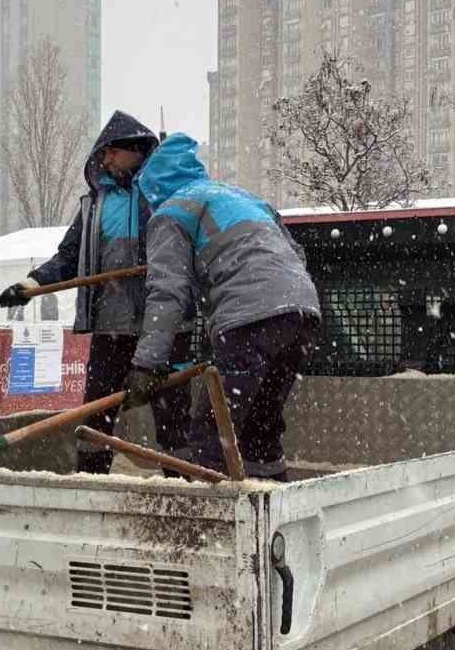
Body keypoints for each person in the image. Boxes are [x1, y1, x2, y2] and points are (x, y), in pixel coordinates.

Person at [0, 111, 192, 474]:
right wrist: (33, 284)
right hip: (110, 327)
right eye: (102, 155)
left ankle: (184, 490)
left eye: (112, 152)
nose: (106, 160)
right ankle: (92, 482)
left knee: (173, 417)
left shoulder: (163, 194)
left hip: (163, 328)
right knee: (95, 415)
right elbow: (69, 255)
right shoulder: (93, 205)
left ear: (136, 151)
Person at [121, 133, 320, 481]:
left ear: (152, 188)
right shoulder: (243, 197)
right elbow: (295, 255)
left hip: (249, 319)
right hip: (301, 312)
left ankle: (203, 528)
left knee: (212, 434)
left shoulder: (170, 214)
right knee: (261, 426)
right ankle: (273, 509)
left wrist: (147, 365)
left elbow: (167, 293)